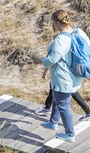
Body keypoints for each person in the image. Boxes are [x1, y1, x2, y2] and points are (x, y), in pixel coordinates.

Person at [31, 9, 85, 142]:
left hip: (63, 78)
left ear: (56, 22)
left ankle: (70, 134)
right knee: (56, 97)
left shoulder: (61, 39)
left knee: (63, 106)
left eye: (52, 22)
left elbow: (52, 59)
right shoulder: (74, 32)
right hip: (70, 76)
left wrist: (39, 61)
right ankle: (53, 122)